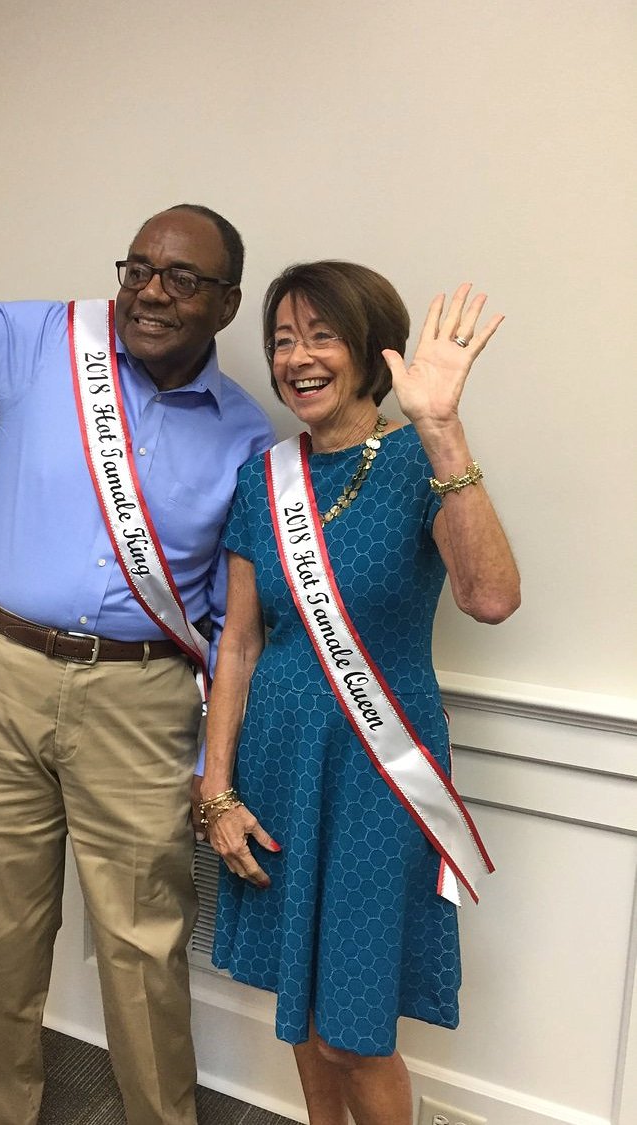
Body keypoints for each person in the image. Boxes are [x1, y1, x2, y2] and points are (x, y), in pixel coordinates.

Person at [0, 25, 274, 1125]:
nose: (149, 290)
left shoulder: (247, 441)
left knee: (143, 943)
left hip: (137, 702)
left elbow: (242, 622)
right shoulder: (46, 344)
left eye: (181, 277)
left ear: (226, 303)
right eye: (137, 267)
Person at [201, 261, 520, 1125]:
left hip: (381, 776)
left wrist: (444, 427)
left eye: (320, 336)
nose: (297, 358)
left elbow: (490, 599)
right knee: (299, 1007)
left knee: (355, 1031)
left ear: (370, 349)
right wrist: (215, 786)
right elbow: (237, 644)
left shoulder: (422, 456)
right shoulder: (261, 481)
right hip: (278, 763)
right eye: (281, 340)